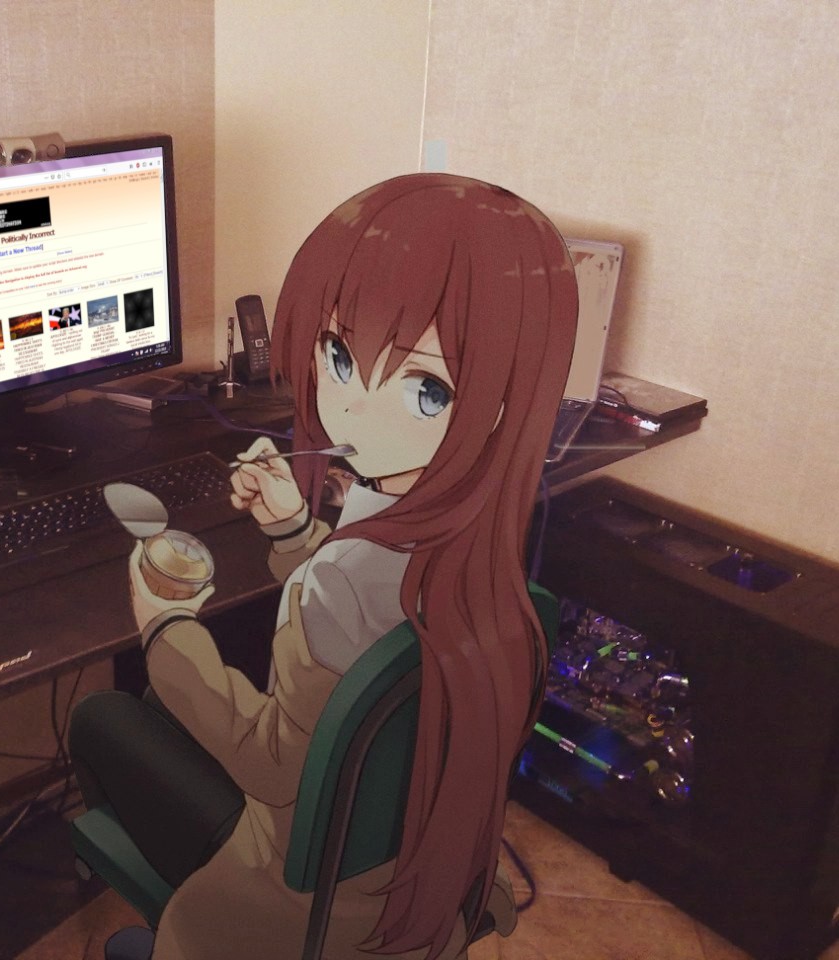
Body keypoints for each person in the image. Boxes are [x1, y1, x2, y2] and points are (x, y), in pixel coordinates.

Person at [69, 173, 578, 960]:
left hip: (295, 893)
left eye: (426, 390)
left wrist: (167, 629)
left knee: (105, 717)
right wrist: (292, 529)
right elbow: (368, 618)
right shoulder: (477, 547)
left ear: (500, 405)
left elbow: (272, 765)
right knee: (162, 709)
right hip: (407, 872)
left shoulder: (342, 581)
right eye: (340, 355)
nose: (354, 408)